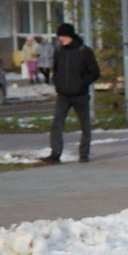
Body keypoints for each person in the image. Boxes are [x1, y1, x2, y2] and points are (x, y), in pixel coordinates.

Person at [43, 22, 100, 163]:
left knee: (85, 125)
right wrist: (57, 84)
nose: (61, 39)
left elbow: (94, 72)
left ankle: (84, 154)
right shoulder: (59, 51)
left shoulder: (84, 51)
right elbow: (55, 70)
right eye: (60, 36)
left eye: (64, 36)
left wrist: (82, 84)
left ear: (71, 36)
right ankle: (55, 154)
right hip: (63, 95)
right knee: (57, 124)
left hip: (80, 95)